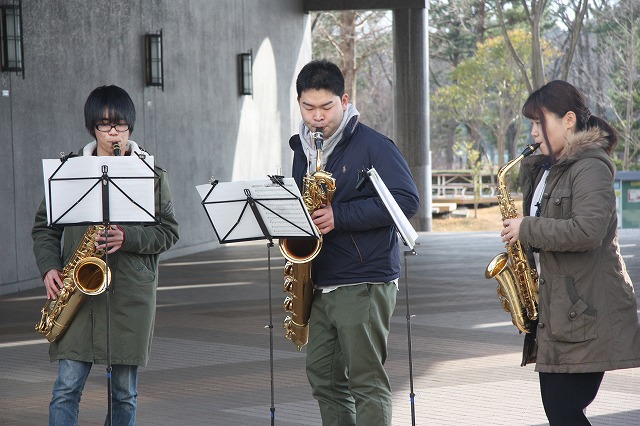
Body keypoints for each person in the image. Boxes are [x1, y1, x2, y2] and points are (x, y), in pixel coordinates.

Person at [32, 85, 179, 426]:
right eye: (104, 124)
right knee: (66, 388)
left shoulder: (151, 174)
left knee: (124, 393)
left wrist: (128, 236)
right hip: (78, 291)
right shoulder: (67, 170)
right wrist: (49, 268)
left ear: (131, 125)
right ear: (91, 127)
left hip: (130, 294)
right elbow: (45, 227)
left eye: (121, 124)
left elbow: (169, 232)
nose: (114, 132)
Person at [500, 80, 640, 425]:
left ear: (569, 120)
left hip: (588, 312)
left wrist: (527, 228)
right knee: (561, 411)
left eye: (539, 123)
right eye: (531, 124)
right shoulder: (547, 168)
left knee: (564, 412)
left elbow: (588, 231)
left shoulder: (591, 166)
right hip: (561, 313)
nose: (533, 134)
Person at [288, 59, 420, 426]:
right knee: (323, 378)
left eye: (327, 107)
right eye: (308, 107)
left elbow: (407, 202)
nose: (317, 117)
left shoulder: (374, 145)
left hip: (364, 279)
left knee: (366, 381)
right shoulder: (303, 148)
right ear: (299, 103)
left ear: (344, 100)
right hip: (321, 279)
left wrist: (340, 216)